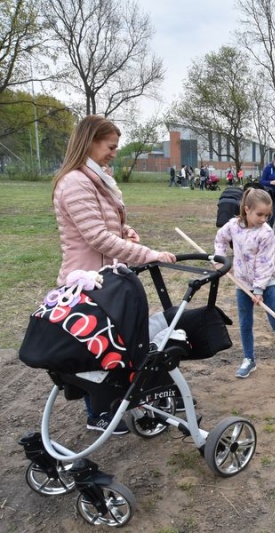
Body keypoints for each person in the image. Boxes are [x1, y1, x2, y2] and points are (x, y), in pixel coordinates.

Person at [53, 115, 177, 435]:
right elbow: (96, 237)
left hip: (105, 279)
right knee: (95, 350)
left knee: (114, 346)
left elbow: (107, 225)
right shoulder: (76, 182)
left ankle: (118, 404)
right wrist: (148, 254)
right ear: (89, 142)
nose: (114, 152)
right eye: (110, 146)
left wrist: (125, 230)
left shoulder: (97, 178)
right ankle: (98, 413)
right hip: (86, 281)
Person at [214, 188, 275, 384]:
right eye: (260, 214)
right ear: (247, 209)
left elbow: (265, 264)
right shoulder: (233, 226)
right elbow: (220, 239)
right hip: (242, 283)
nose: (264, 219)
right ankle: (249, 359)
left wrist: (258, 289)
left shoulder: (266, 233)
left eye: (267, 215)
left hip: (266, 284)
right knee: (245, 323)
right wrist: (220, 260)